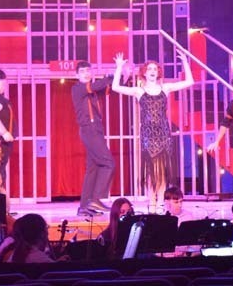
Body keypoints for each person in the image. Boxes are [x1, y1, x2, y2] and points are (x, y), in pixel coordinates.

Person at [112, 51, 194, 211]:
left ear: (158, 73)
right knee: (151, 171)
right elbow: (115, 87)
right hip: (148, 135)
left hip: (163, 134)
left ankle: (161, 204)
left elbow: (190, 81)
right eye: (149, 68)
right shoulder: (139, 91)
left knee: (162, 171)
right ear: (144, 72)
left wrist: (185, 62)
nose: (152, 71)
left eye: (155, 69)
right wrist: (119, 67)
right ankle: (152, 203)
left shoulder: (166, 87)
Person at [71, 60, 115, 216]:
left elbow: (110, 87)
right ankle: (96, 199)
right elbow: (98, 85)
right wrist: (111, 75)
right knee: (109, 163)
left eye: (88, 71)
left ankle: (84, 206)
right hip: (89, 130)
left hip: (96, 129)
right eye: (82, 71)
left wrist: (122, 73)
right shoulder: (77, 88)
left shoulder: (93, 90)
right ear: (76, 75)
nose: (86, 73)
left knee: (93, 168)